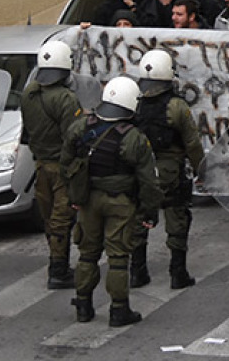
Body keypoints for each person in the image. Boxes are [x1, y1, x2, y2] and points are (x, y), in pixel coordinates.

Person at [62, 77, 162, 325]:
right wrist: (150, 212)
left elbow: (66, 163)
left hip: (87, 200)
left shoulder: (80, 128)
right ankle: (119, 310)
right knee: (118, 257)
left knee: (87, 253)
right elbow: (148, 181)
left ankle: (83, 305)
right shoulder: (134, 138)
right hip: (120, 203)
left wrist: (74, 196)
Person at [129, 50, 205, 290]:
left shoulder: (134, 103)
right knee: (178, 218)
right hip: (171, 173)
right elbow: (192, 144)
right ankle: (177, 273)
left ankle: (137, 272)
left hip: (142, 173)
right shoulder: (177, 107)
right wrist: (201, 169)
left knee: (139, 219)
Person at [20, 41, 85, 290]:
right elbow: (74, 137)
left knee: (49, 217)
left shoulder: (29, 94)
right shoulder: (66, 99)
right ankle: (58, 269)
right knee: (61, 217)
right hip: (62, 167)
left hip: (40, 165)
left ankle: (57, 261)